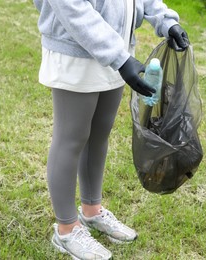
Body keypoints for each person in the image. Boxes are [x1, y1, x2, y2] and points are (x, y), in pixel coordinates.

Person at [33, 0, 189, 259]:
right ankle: (67, 229)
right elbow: (70, 6)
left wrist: (166, 20)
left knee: (99, 134)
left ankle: (92, 211)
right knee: (71, 137)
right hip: (77, 49)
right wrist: (120, 57)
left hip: (117, 49)